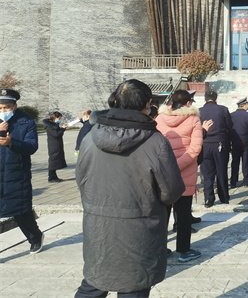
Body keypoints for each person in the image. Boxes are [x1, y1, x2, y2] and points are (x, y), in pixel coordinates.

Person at [75, 79, 185, 297]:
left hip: (99, 226)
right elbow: (171, 190)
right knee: (134, 286)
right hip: (140, 228)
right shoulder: (155, 142)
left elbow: (81, 180)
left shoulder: (90, 137)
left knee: (94, 283)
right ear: (147, 104)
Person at [155, 90, 212, 263]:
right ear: (188, 103)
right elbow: (195, 149)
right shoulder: (193, 119)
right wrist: (177, 165)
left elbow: (154, 146)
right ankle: (184, 250)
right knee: (184, 214)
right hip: (185, 173)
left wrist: (168, 166)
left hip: (163, 173)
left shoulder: (159, 119)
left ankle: (160, 249)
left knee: (162, 214)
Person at [0, 88, 45, 254]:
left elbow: (32, 146)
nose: (3, 111)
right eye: (0, 108)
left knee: (20, 211)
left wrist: (11, 143)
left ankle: (35, 237)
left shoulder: (26, 121)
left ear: (14, 106)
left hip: (16, 173)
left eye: (6, 107)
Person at [199, 90, 233, 207]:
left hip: (205, 144)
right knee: (221, 171)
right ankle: (224, 197)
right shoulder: (223, 110)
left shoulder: (199, 111)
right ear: (216, 98)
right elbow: (229, 127)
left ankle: (208, 198)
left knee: (207, 173)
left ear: (205, 98)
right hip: (220, 143)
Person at [230, 97, 248, 187]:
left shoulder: (231, 115)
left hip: (234, 141)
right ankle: (247, 181)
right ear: (244, 105)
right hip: (245, 141)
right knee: (246, 161)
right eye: (247, 104)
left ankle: (233, 181)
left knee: (235, 162)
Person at [43, 111, 67, 183]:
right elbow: (56, 134)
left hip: (56, 144)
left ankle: (54, 176)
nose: (59, 120)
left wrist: (62, 128)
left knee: (55, 161)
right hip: (53, 145)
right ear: (55, 117)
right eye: (59, 118)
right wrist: (63, 129)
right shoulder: (50, 125)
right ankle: (51, 177)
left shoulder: (53, 124)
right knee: (53, 161)